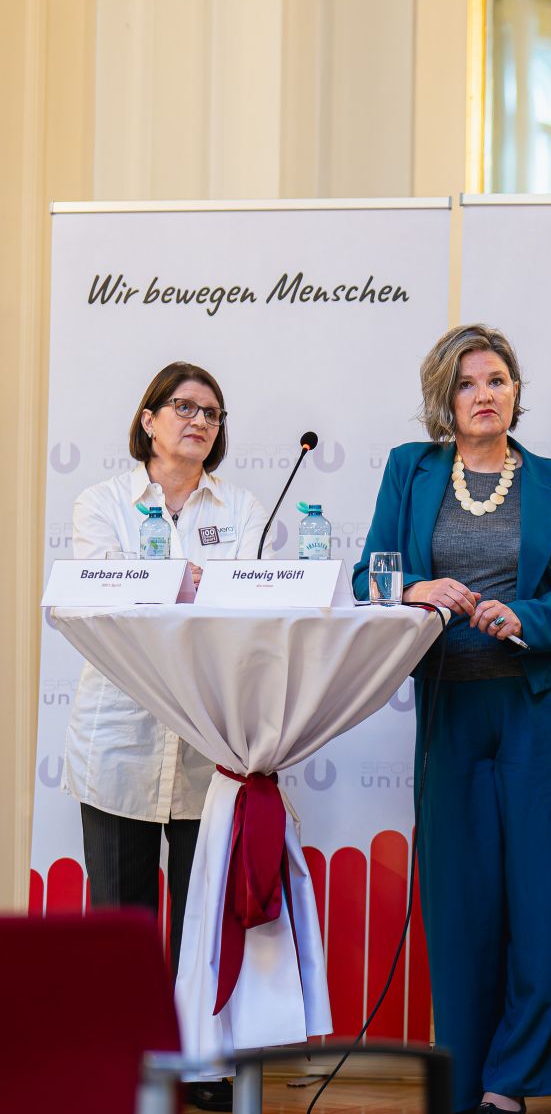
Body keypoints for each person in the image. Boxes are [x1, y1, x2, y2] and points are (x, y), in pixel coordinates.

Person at [353, 323, 551, 1114]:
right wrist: (413, 589)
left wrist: (526, 617)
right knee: (461, 905)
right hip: (450, 705)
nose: (485, 394)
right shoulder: (411, 469)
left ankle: (511, 1080)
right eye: (469, 383)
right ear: (446, 397)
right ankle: (465, 1080)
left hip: (545, 709)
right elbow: (373, 569)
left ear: (515, 391)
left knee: (543, 903)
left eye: (498, 379)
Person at [65, 361, 267, 1113]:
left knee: (198, 915)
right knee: (120, 917)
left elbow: (250, 602)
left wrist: (173, 583)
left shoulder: (240, 507)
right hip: (118, 735)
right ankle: (118, 1061)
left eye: (212, 412)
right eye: (182, 406)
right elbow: (102, 591)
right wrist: (191, 583)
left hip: (206, 732)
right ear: (148, 419)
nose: (198, 420)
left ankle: (201, 1063)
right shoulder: (102, 502)